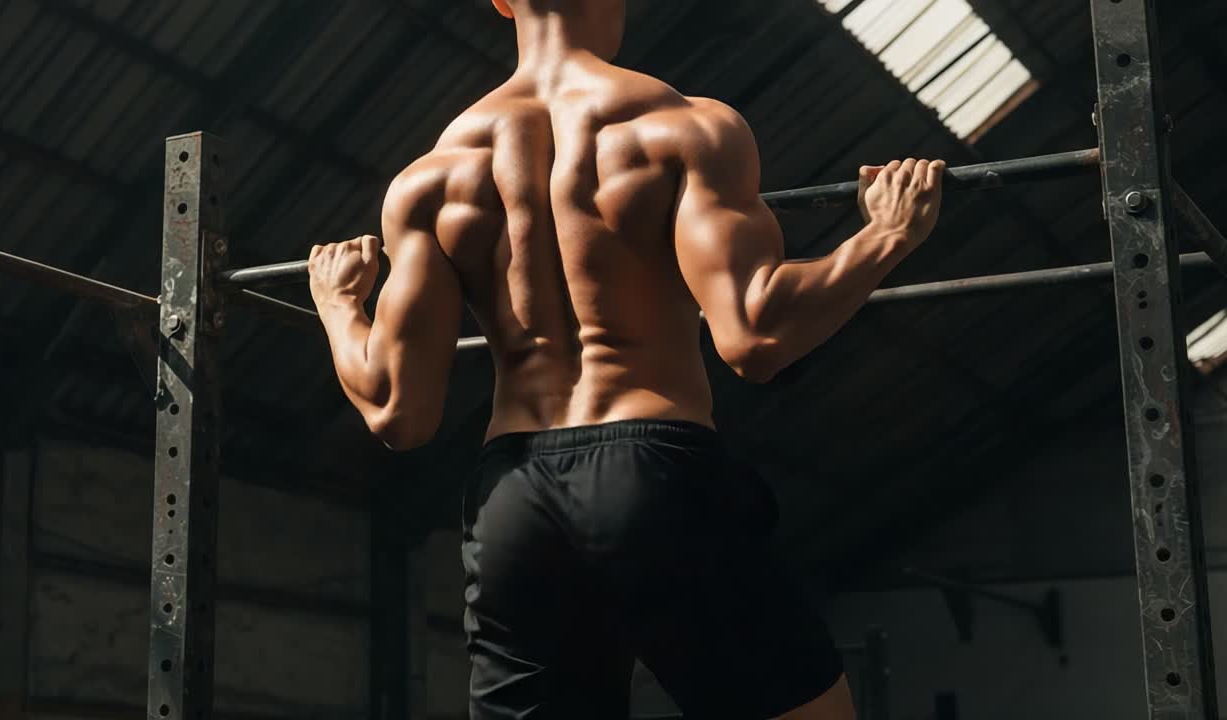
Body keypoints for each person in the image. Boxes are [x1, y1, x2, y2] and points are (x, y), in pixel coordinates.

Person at [308, 0, 944, 716]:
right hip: (654, 471)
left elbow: (398, 411)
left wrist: (337, 305)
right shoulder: (682, 128)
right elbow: (756, 336)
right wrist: (885, 236)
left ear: (500, 2)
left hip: (513, 498)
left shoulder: (430, 179)